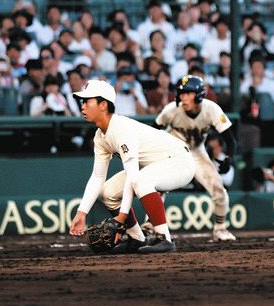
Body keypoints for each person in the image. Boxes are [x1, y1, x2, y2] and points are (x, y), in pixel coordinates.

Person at [67, 79, 198, 254]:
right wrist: (82, 212)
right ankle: (136, 237)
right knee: (107, 193)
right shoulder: (100, 136)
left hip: (179, 162)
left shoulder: (121, 128)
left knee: (140, 180)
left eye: (87, 101)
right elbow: (97, 177)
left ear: (103, 105)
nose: (82, 106)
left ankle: (164, 238)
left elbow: (133, 176)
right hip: (153, 166)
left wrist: (121, 217)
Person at [154, 74, 239, 241]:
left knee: (219, 190)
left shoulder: (211, 109)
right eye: (181, 93)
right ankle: (151, 225)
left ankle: (220, 228)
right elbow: (154, 131)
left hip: (197, 151)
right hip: (174, 151)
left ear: (199, 95)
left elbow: (230, 140)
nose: (183, 97)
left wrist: (229, 158)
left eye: (188, 93)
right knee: (159, 189)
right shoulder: (172, 109)